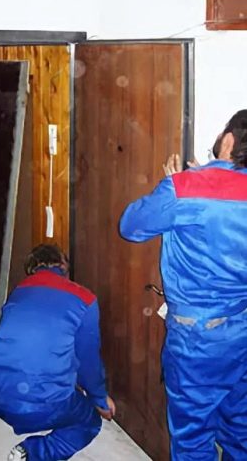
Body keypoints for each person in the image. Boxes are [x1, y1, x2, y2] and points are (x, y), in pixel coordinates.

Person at [119, 109, 247, 460]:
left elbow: (130, 226)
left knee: (192, 435)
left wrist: (178, 187)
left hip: (199, 338)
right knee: (240, 426)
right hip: (242, 328)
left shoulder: (186, 187)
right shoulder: (194, 187)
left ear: (228, 140)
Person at [0, 244, 116, 461]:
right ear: (63, 265)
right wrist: (100, 400)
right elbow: (88, 362)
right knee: (88, 422)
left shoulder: (19, 291)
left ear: (32, 268)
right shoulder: (84, 298)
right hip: (37, 404)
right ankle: (32, 454)